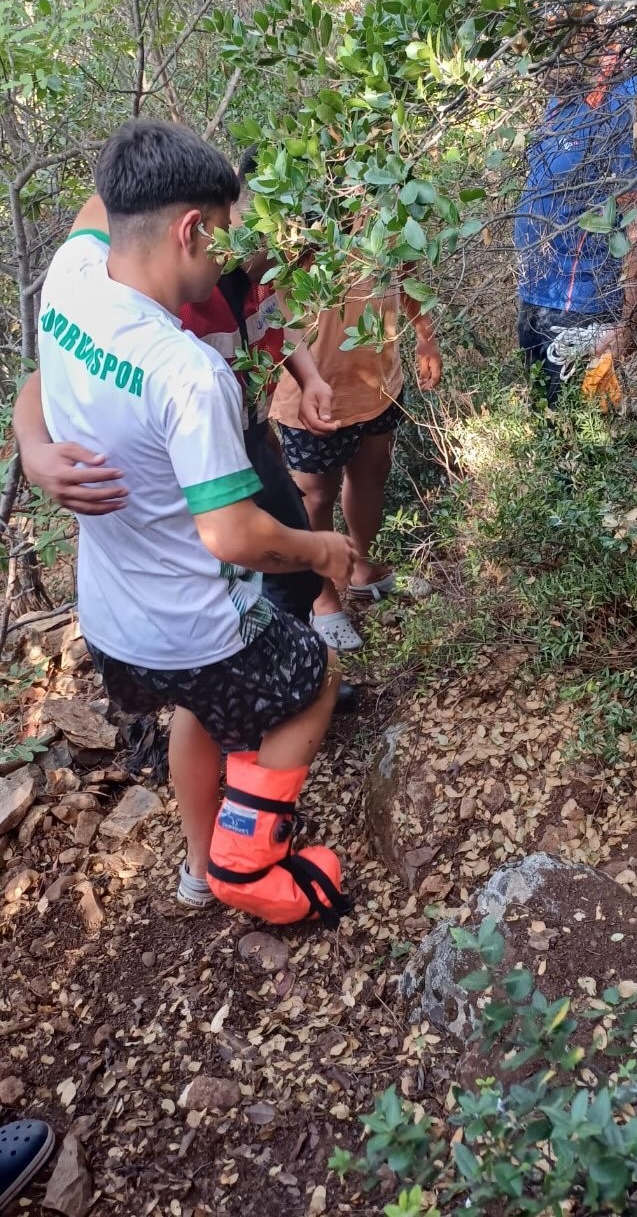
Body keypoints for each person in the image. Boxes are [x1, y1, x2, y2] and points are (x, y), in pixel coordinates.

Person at [26, 117, 357, 926]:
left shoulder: (71, 279)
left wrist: (33, 449)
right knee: (314, 681)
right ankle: (243, 860)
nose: (229, 254)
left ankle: (197, 867)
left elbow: (100, 204)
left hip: (115, 627)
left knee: (198, 709)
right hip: (194, 622)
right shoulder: (188, 370)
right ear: (189, 230)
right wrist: (322, 547)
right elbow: (233, 536)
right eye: (224, 235)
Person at [14, 149, 358, 711]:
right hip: (179, 498)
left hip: (249, 444)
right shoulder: (165, 306)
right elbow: (51, 371)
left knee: (289, 582)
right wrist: (33, 447)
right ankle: (253, 699)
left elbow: (272, 324)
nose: (282, 263)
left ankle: (277, 675)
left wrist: (310, 376)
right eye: (273, 241)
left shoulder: (251, 275)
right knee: (248, 572)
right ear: (208, 225)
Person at [270, 255, 442, 651]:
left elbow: (408, 269)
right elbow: (268, 296)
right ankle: (323, 598)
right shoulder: (291, 213)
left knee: (372, 473)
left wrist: (424, 334)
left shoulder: (385, 197)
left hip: (379, 377)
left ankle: (361, 568)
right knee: (314, 496)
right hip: (310, 388)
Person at [514, 7, 637, 407]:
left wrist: (627, 325)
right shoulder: (564, 96)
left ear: (584, 33)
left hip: (583, 312)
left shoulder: (622, 101)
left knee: (575, 451)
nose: (536, 58)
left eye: (546, 42)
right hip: (536, 298)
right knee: (545, 431)